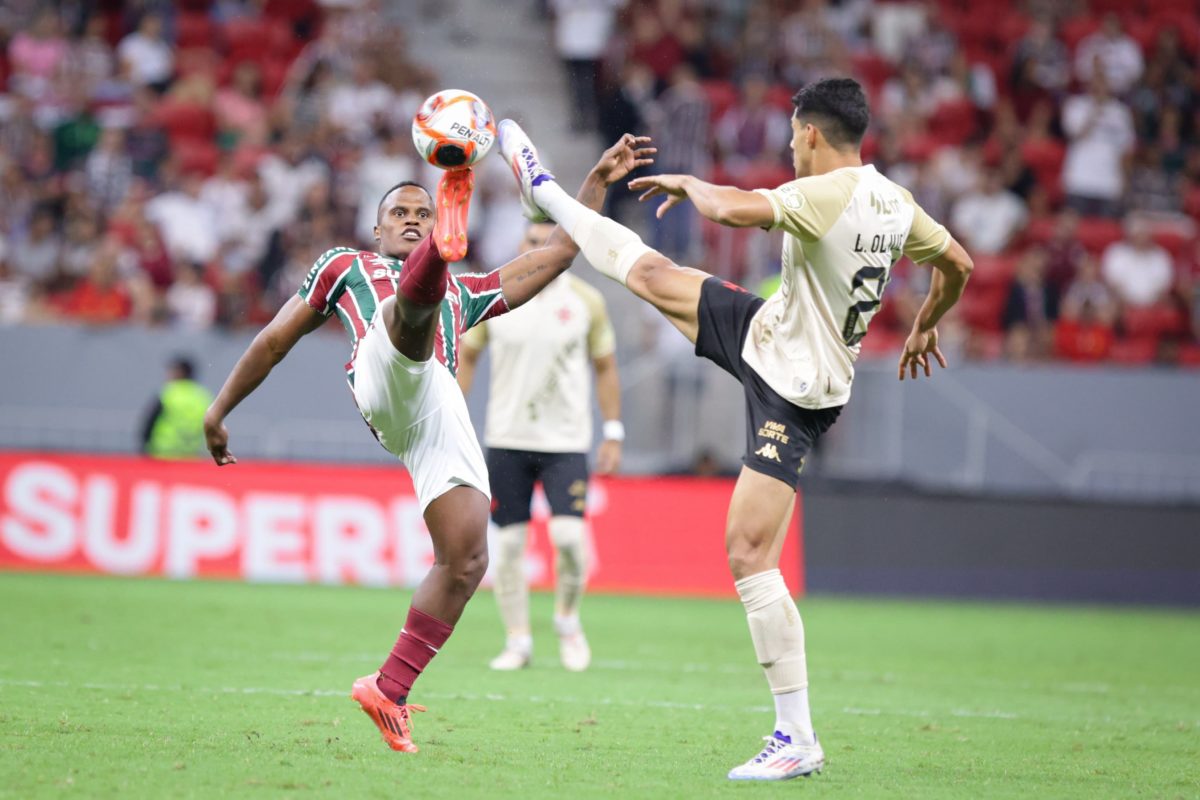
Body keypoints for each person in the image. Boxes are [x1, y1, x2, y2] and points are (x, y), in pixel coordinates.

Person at [495, 76, 973, 781]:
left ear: (811, 133)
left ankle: (797, 737)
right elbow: (957, 264)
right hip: (769, 335)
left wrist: (693, 183)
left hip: (797, 396)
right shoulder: (896, 203)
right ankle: (551, 197)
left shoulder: (821, 194)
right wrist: (926, 324)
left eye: (790, 134)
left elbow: (736, 210)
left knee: (748, 553)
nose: (788, 146)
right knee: (653, 274)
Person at [202, 134, 653, 755]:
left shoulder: (467, 297)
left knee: (468, 560)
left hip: (434, 410)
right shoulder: (346, 266)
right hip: (382, 369)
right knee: (407, 320)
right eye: (401, 214)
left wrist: (596, 180)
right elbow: (274, 340)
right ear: (378, 228)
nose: (408, 220)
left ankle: (389, 688)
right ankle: (454, 202)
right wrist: (220, 407)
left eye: (423, 213)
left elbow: (559, 251)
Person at [457, 222, 623, 673]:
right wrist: (451, 421)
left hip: (566, 441)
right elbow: (466, 356)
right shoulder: (497, 296)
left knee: (570, 540)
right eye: (533, 241)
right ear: (519, 244)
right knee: (508, 548)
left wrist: (612, 431)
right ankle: (518, 641)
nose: (540, 249)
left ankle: (567, 621)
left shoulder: (586, 301)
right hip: (506, 438)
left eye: (550, 242)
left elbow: (605, 367)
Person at [141, 357, 214, 458]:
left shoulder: (168, 393)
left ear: (180, 372)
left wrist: (144, 446)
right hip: (191, 455)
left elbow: (150, 423)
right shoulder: (203, 396)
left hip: (163, 454)